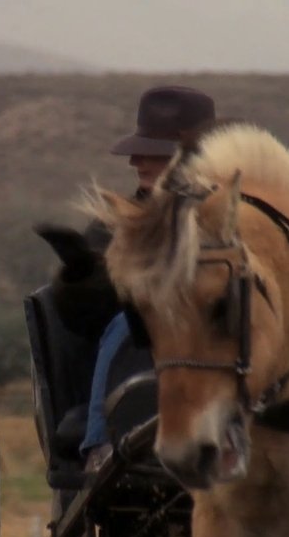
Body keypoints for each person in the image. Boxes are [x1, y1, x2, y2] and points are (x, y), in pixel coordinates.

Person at [76, 85, 216, 471]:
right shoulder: (112, 223)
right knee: (125, 325)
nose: (137, 161)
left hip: (215, 323)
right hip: (139, 334)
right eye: (140, 151)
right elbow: (86, 307)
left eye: (154, 152)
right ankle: (100, 444)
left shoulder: (230, 216)